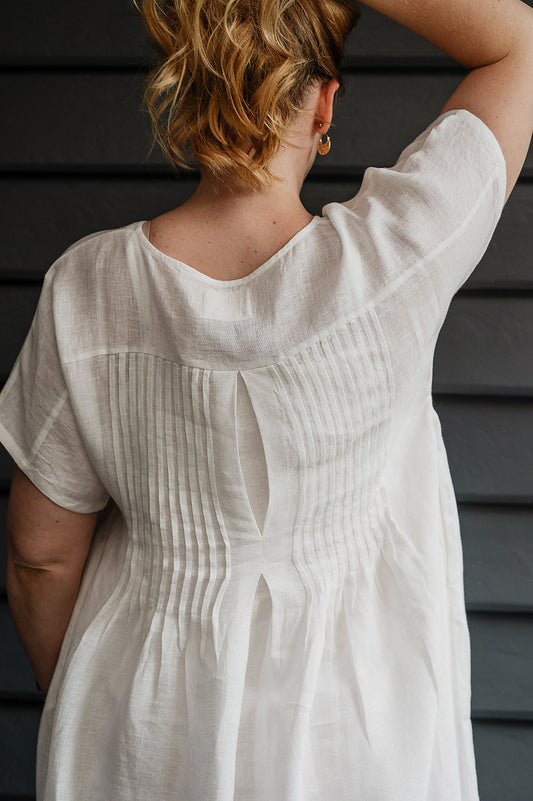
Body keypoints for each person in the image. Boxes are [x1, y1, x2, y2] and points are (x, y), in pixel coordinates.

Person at [1, 0, 532, 798]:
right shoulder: (392, 260)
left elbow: (39, 557)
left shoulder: (87, 290)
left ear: (189, 92)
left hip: (139, 723)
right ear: (322, 103)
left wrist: (95, 702)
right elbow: (516, 43)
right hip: (354, 732)